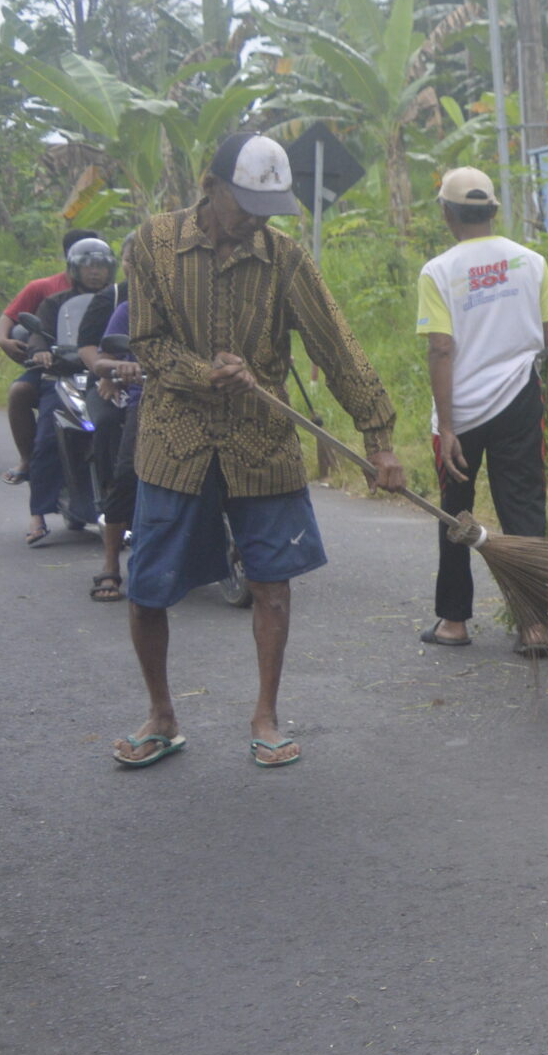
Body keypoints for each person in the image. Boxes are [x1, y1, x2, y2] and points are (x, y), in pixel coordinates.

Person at [110, 131, 405, 772]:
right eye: (244, 207)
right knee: (147, 588)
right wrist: (201, 373)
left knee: (273, 587)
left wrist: (377, 439)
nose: (253, 224)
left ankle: (266, 714)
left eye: (266, 212)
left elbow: (338, 346)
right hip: (175, 439)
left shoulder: (285, 259)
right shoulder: (151, 244)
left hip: (261, 443)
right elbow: (148, 343)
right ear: (209, 187)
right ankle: (162, 714)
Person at [415, 167, 548, 656]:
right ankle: (534, 626)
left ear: (447, 213)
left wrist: (450, 424)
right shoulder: (532, 262)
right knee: (524, 508)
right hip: (519, 401)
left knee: (455, 512)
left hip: (461, 414)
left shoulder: (438, 271)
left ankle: (454, 622)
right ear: (493, 211)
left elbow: (441, 349)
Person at [17, 236, 121, 547]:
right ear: (74, 270)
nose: (95, 272)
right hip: (64, 376)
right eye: (88, 266)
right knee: (48, 436)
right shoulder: (56, 303)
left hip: (107, 378)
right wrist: (40, 352)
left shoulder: (115, 300)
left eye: (101, 266)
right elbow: (38, 334)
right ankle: (38, 514)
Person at [0, 228, 107, 485]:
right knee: (20, 392)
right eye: (85, 259)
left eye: (98, 260)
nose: (93, 268)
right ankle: (28, 460)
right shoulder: (45, 289)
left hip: (101, 367)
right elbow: (21, 321)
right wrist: (6, 341)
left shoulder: (111, 293)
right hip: (57, 367)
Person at [79, 297, 143, 603]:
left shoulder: (206, 301)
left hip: (202, 398)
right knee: (128, 473)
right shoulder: (131, 309)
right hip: (150, 400)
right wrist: (120, 365)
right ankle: (111, 563)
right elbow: (102, 360)